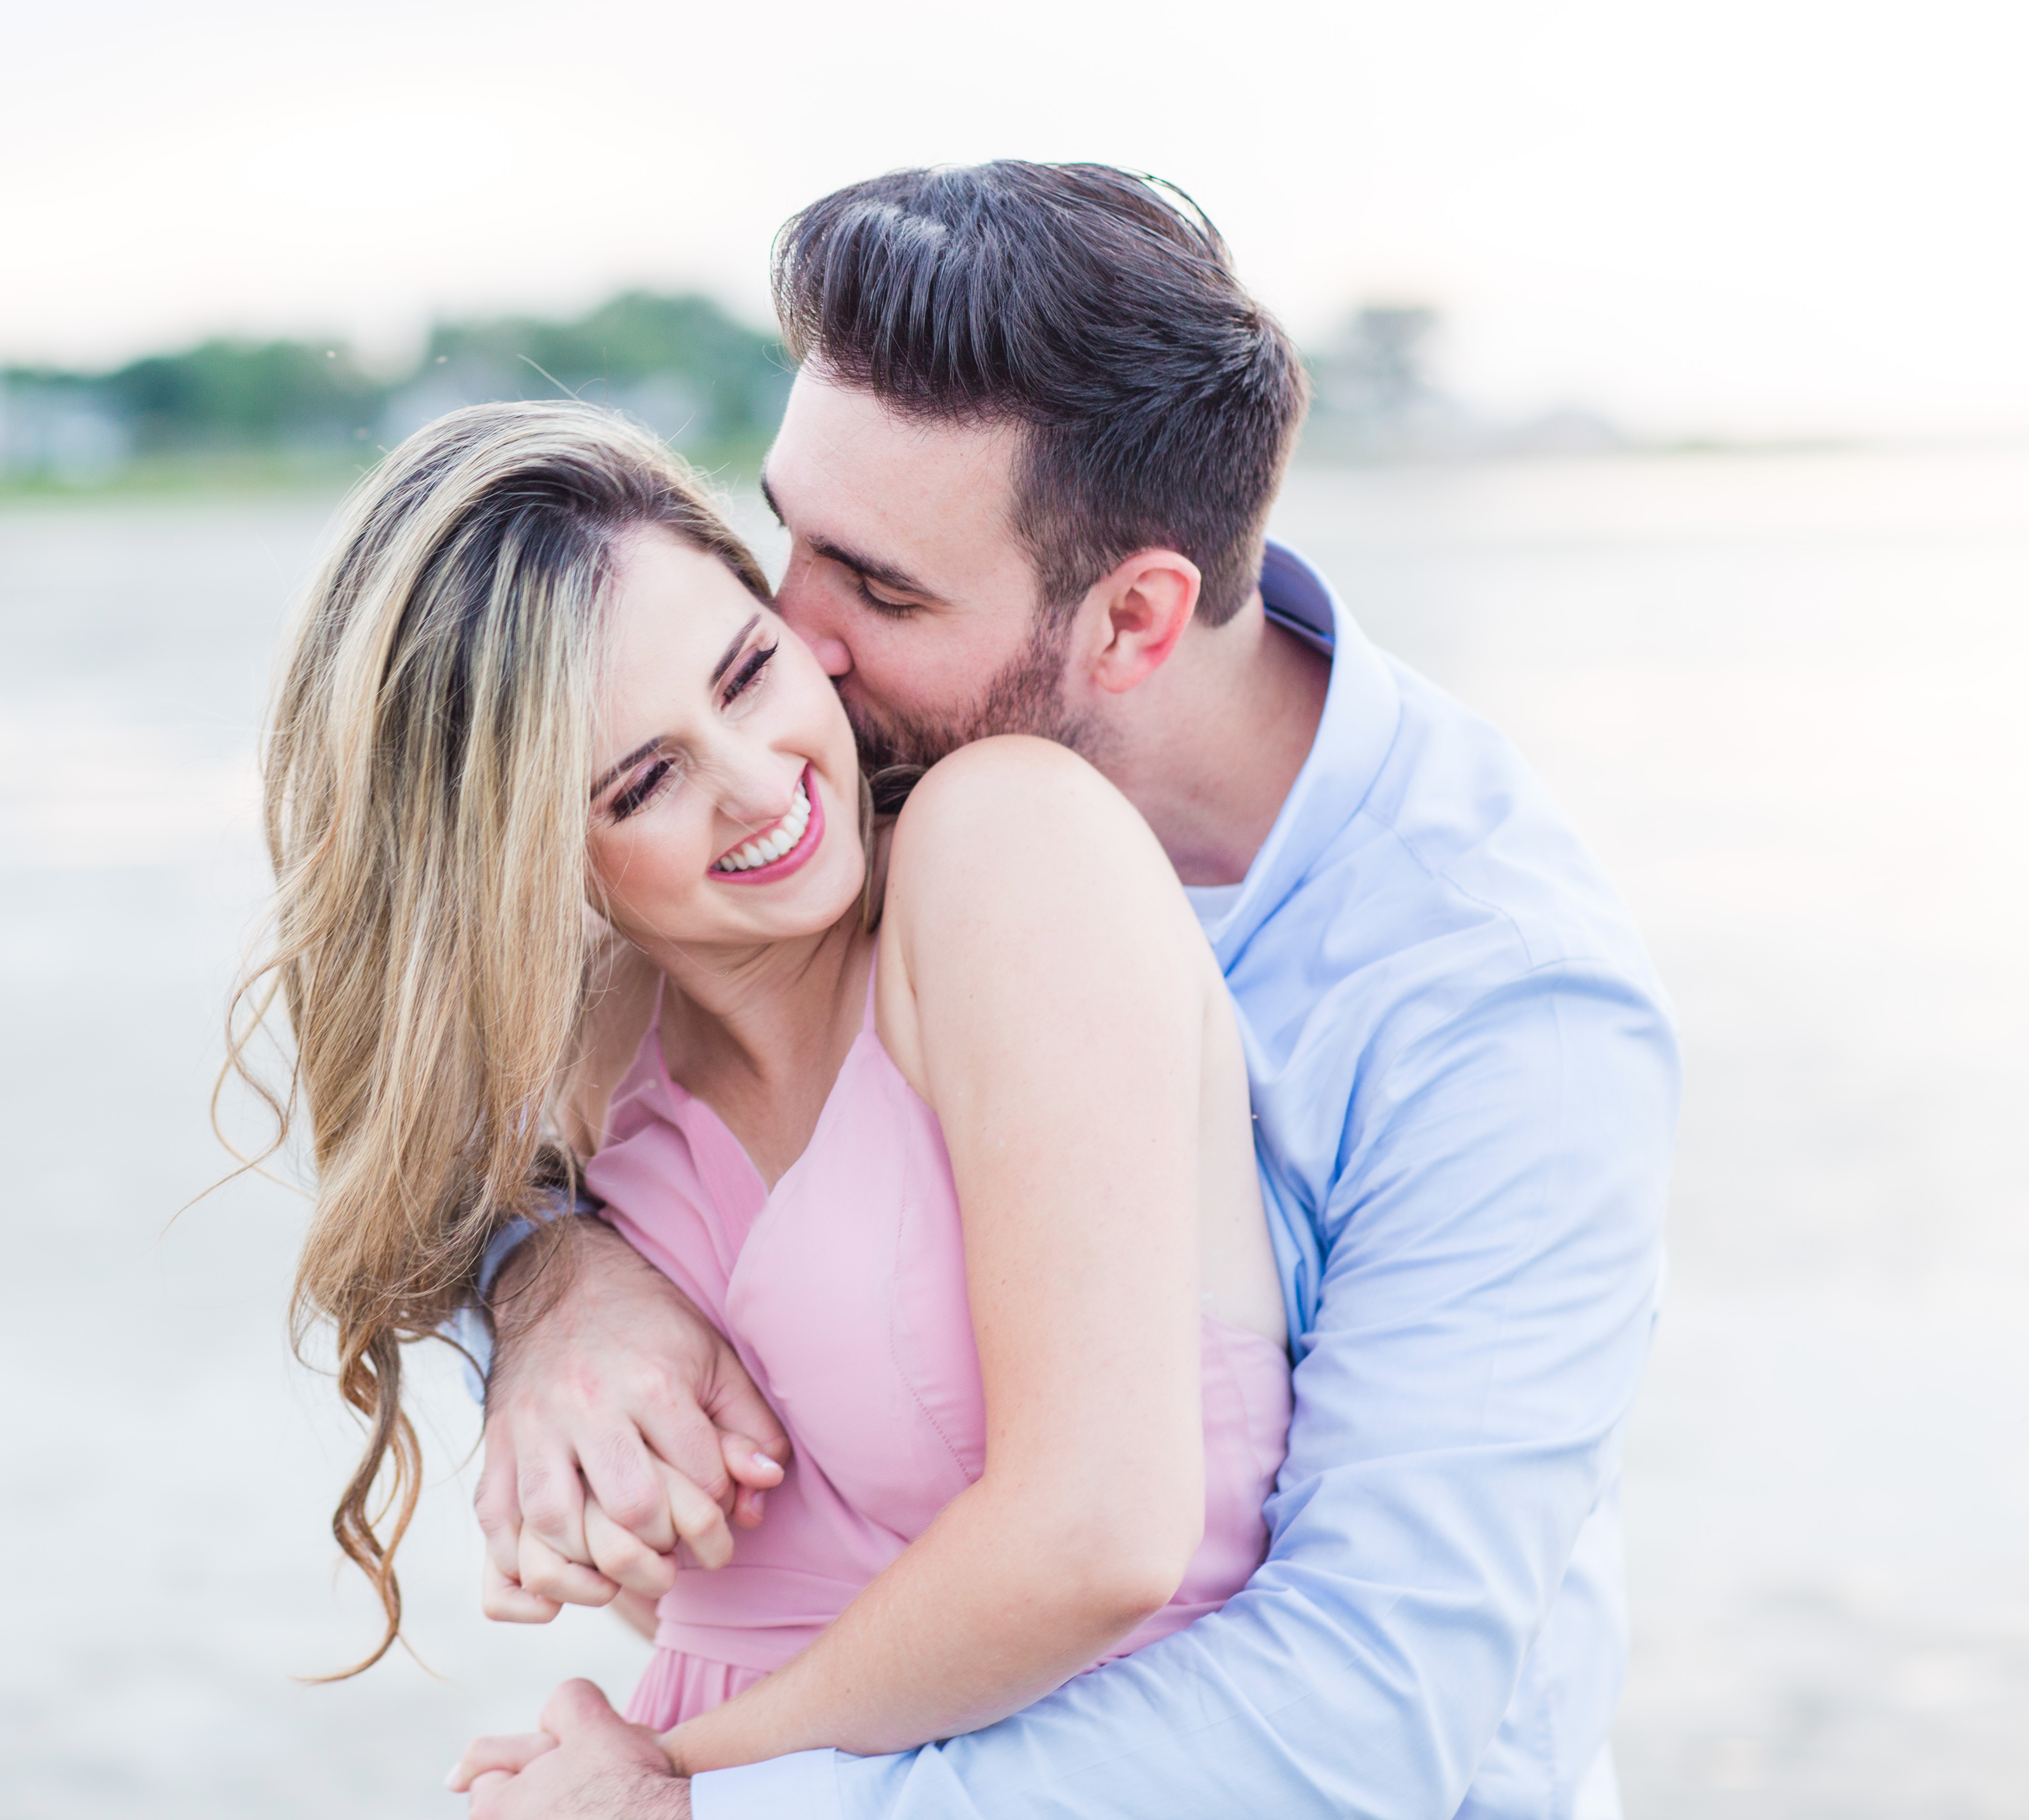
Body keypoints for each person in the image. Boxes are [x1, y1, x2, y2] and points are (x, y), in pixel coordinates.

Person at [463, 163, 1680, 1819]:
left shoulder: (1497, 1011)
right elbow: (484, 1063)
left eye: (878, 589)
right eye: (788, 539)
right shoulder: (850, 785)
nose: (791, 640)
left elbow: (1366, 1715)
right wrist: (548, 1278)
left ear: (1133, 620)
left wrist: (697, 1800)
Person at [235, 393, 1299, 1786]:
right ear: (528, 860)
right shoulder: (577, 1085)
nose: (761, 784)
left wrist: (673, 1779)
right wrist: (537, 1281)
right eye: (646, 783)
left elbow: (1099, 1537)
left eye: (746, 673)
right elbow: (674, 1595)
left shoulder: (1005, 848)